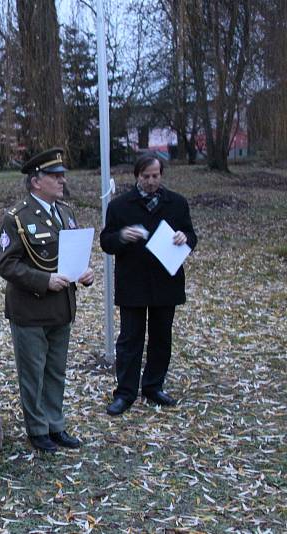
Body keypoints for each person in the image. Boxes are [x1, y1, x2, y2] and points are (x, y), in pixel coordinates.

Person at [0, 147, 94, 453]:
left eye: (62, 175)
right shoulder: (17, 218)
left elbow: (69, 257)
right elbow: (6, 264)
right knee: (33, 373)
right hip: (31, 309)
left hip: (61, 307)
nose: (61, 180)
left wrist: (84, 273)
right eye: (55, 176)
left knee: (56, 371)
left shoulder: (66, 213)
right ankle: (37, 429)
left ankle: (55, 425)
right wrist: (44, 280)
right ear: (36, 181)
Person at [100, 153, 197, 416]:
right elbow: (106, 241)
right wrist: (121, 235)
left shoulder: (176, 203)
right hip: (132, 282)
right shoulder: (120, 206)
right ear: (137, 177)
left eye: (156, 176)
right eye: (146, 177)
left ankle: (153, 386)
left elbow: (192, 237)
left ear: (161, 175)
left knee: (161, 337)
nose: (151, 182)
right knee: (130, 339)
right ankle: (125, 392)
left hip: (166, 281)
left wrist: (183, 237)